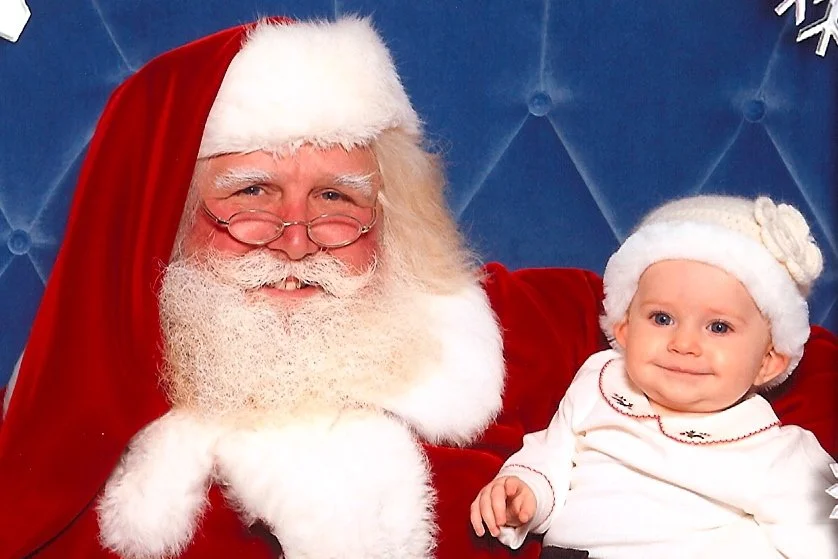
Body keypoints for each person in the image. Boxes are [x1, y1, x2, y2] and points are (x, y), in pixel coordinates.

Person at [0, 15, 835, 559]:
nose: (297, 239)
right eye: (249, 195)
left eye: (337, 199)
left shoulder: (486, 324)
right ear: (163, 224)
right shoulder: (79, 442)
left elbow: (764, 347)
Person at [470, 195, 838, 558]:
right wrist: (523, 493)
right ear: (625, 328)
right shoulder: (600, 383)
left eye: (719, 327)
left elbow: (824, 536)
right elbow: (550, 458)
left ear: (767, 361)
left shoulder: (778, 450)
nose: (683, 343)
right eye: (662, 319)